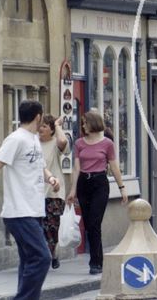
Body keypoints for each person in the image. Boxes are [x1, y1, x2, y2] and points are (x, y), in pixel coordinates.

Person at [0, 100, 61, 300]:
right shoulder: (16, 139)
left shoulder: (33, 140)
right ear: (38, 116)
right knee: (42, 257)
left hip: (34, 210)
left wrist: (51, 178)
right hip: (19, 212)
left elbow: (39, 165)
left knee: (29, 260)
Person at [66, 109, 128, 275]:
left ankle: (96, 262)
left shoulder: (107, 143)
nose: (83, 126)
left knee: (94, 222)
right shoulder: (79, 143)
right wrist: (72, 190)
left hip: (100, 183)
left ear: (93, 123)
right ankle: (97, 260)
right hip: (83, 184)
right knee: (88, 225)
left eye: (85, 123)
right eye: (83, 123)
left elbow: (114, 166)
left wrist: (122, 188)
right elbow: (77, 167)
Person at [39, 114, 70, 269]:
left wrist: (58, 125)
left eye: (44, 126)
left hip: (54, 193)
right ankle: (43, 257)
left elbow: (63, 141)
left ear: (51, 130)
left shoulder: (55, 144)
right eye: (40, 125)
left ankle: (53, 255)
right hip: (36, 193)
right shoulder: (33, 144)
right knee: (39, 228)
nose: (40, 129)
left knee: (52, 228)